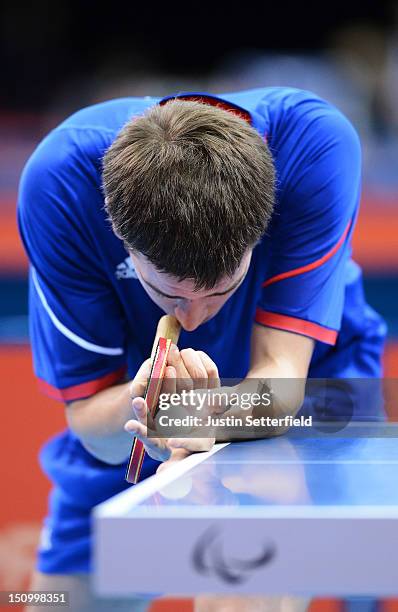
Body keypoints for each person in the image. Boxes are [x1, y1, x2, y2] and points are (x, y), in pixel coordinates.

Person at [17, 88, 386, 610]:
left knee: (241, 593)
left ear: (259, 235)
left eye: (220, 291)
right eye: (168, 295)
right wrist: (145, 407)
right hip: (142, 391)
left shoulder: (317, 142)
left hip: (308, 388)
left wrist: (199, 418)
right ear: (123, 240)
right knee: (58, 602)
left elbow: (281, 378)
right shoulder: (59, 183)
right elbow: (95, 435)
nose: (191, 319)